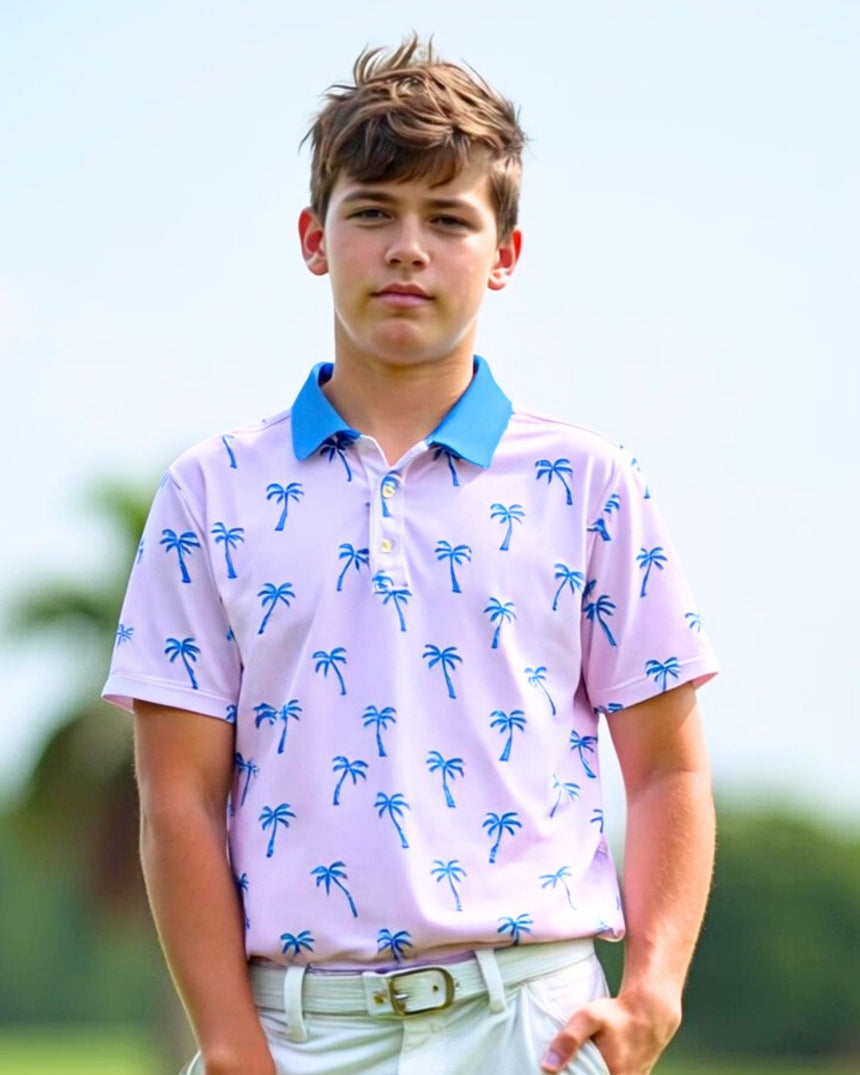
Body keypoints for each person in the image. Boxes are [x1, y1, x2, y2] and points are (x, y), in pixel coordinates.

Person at [103, 36, 718, 1075]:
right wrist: (228, 1043)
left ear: (503, 255)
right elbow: (177, 800)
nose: (406, 249)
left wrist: (652, 991)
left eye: (448, 220)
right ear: (313, 237)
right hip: (295, 1033)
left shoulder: (587, 482)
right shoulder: (210, 491)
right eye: (372, 212)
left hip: (532, 1020)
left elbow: (665, 765)